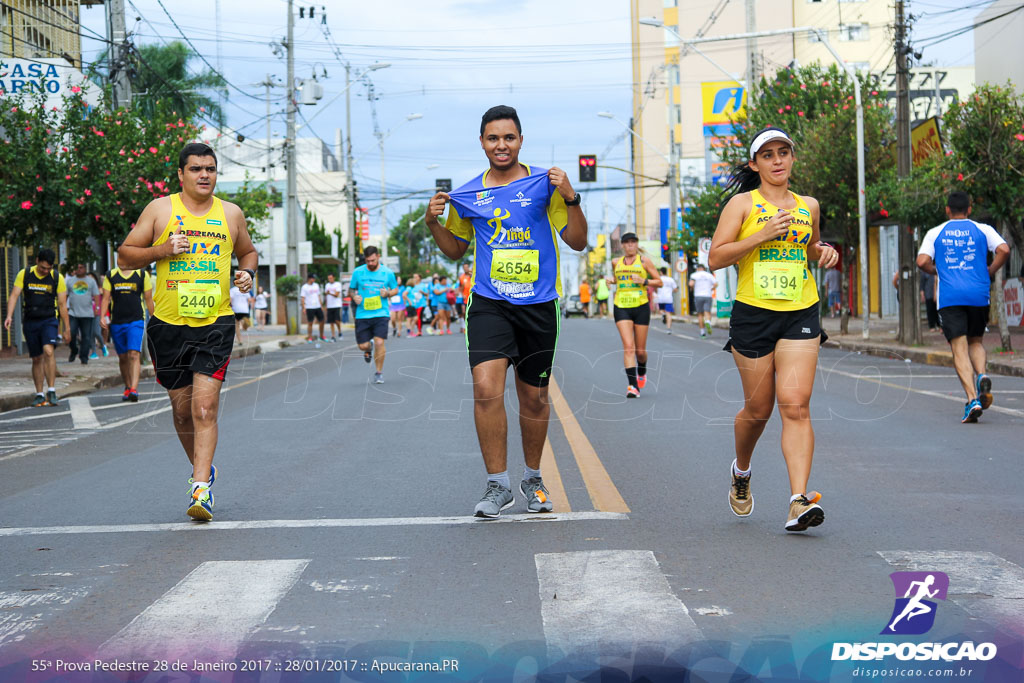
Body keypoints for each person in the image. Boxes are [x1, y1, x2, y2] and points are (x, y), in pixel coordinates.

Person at [425, 104, 587, 518]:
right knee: (485, 389)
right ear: (482, 142)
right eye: (493, 138)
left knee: (534, 399)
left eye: (509, 137)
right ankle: (497, 484)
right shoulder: (468, 194)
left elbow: (577, 241)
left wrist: (571, 196)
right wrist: (434, 224)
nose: (501, 145)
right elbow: (455, 251)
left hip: (538, 305)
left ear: (520, 141)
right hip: (489, 304)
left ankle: (532, 479)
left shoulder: (544, 185)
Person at [117, 142, 258, 521]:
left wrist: (247, 273)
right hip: (167, 324)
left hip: (215, 322)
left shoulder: (231, 214)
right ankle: (204, 469)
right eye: (196, 169)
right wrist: (161, 249)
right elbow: (125, 256)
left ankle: (200, 488)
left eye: (210, 169)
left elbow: (248, 252)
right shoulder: (160, 210)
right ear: (181, 174)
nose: (204, 175)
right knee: (182, 413)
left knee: (204, 407)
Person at [708, 126, 839, 532]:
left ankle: (798, 500)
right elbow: (716, 258)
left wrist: (824, 252)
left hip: (800, 310)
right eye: (768, 155)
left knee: (796, 404)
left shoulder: (809, 206)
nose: (778, 160)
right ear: (755, 164)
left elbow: (811, 245)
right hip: (753, 314)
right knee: (758, 410)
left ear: (792, 158)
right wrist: (761, 235)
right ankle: (741, 471)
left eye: (784, 152)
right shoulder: (742, 205)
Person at [916, 191, 1009, 423]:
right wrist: (990, 271)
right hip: (978, 294)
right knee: (976, 341)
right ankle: (982, 375)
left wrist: (938, 270)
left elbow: (921, 261)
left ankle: (972, 399)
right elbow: (1004, 250)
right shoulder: (982, 229)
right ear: (969, 209)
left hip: (951, 296)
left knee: (959, 348)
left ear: (947, 210)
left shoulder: (935, 232)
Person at [4, 248, 70, 407]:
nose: (46, 271)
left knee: (48, 351)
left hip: (49, 320)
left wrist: (67, 327)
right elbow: (14, 296)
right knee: (36, 358)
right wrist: (9, 316)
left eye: (49, 268)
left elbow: (62, 305)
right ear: (37, 262)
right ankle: (40, 393)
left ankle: (52, 390)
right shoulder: (25, 274)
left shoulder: (56, 278)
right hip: (31, 320)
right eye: (43, 268)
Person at [607, 233, 661, 397]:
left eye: (633, 242)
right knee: (628, 347)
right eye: (627, 243)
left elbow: (659, 281)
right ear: (622, 245)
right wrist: (612, 281)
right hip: (621, 305)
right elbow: (620, 279)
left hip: (641, 306)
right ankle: (632, 386)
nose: (630, 245)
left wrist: (644, 281)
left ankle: (642, 369)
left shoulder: (644, 262)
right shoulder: (616, 262)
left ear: (637, 244)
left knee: (640, 351)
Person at [100, 260, 155, 402]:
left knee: (134, 354)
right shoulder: (111, 275)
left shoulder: (142, 275)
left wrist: (154, 318)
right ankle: (127, 386)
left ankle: (134, 389)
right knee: (123, 357)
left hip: (136, 320)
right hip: (117, 321)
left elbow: (148, 299)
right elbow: (105, 298)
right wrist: (102, 317)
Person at [349, 246, 398, 384]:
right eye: (367, 261)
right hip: (362, 314)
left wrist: (388, 293)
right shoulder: (358, 272)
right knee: (363, 346)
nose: (370, 263)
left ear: (378, 257)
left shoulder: (387, 273)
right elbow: (351, 290)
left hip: (381, 313)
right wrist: (354, 297)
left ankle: (378, 373)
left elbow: (395, 289)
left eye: (373, 260)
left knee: (380, 342)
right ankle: (368, 348)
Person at [65, 263, 101, 365]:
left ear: (85, 268)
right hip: (73, 313)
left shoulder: (91, 281)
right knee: (71, 333)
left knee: (86, 337)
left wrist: (97, 308)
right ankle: (74, 350)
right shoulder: (70, 281)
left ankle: (84, 356)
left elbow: (97, 295)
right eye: (77, 267)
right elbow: (65, 295)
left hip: (87, 313)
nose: (79, 269)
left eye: (81, 267)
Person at [689, 263, 717, 337]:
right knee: (707, 312)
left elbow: (691, 284)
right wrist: (711, 289)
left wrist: (692, 288)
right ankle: (708, 321)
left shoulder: (694, 275)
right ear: (704, 268)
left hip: (698, 296)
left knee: (700, 314)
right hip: (707, 295)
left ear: (697, 269)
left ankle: (702, 332)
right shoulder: (709, 275)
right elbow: (716, 284)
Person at [300, 273, 324, 343]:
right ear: (309, 278)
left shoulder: (316, 285)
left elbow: (318, 296)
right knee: (310, 322)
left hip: (317, 306)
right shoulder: (304, 287)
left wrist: (321, 305)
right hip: (309, 307)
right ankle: (310, 337)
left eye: (314, 278)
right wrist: (304, 307)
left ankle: (321, 336)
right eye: (313, 278)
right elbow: (303, 298)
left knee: (322, 321)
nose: (314, 279)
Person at [655, 266, 676, 333]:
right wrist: (670, 291)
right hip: (668, 298)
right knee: (668, 313)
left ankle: (663, 314)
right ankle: (669, 329)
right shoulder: (671, 279)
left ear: (661, 272)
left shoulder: (658, 279)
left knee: (661, 310)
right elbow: (675, 289)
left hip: (661, 298)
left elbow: (655, 288)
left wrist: (657, 292)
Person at [325, 273, 344, 342]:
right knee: (331, 322)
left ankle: (339, 331)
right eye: (329, 278)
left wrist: (329, 293)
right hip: (330, 305)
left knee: (337, 320)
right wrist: (326, 305)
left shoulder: (338, 284)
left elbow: (336, 294)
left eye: (331, 278)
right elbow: (326, 296)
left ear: (334, 278)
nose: (330, 279)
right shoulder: (327, 285)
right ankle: (333, 335)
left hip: (336, 305)